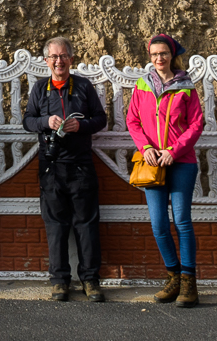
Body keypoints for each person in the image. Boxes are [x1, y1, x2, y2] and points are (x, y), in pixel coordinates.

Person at [22, 36, 108, 302]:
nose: (59, 61)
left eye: (63, 56)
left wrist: (79, 126)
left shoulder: (83, 86)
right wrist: (46, 121)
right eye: (54, 57)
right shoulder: (39, 88)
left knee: (86, 224)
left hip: (81, 165)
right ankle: (60, 281)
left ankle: (91, 280)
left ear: (71, 59)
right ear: (46, 61)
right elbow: (28, 121)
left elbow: (100, 119)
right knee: (55, 226)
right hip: (51, 166)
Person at [126, 32, 205, 307]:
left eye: (164, 53)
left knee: (182, 221)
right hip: (151, 163)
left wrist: (174, 150)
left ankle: (189, 283)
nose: (159, 58)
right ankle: (172, 276)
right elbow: (133, 121)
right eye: (154, 54)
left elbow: (196, 124)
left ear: (172, 55)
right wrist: (146, 147)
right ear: (150, 57)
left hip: (181, 161)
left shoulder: (186, 86)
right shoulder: (142, 85)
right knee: (159, 224)